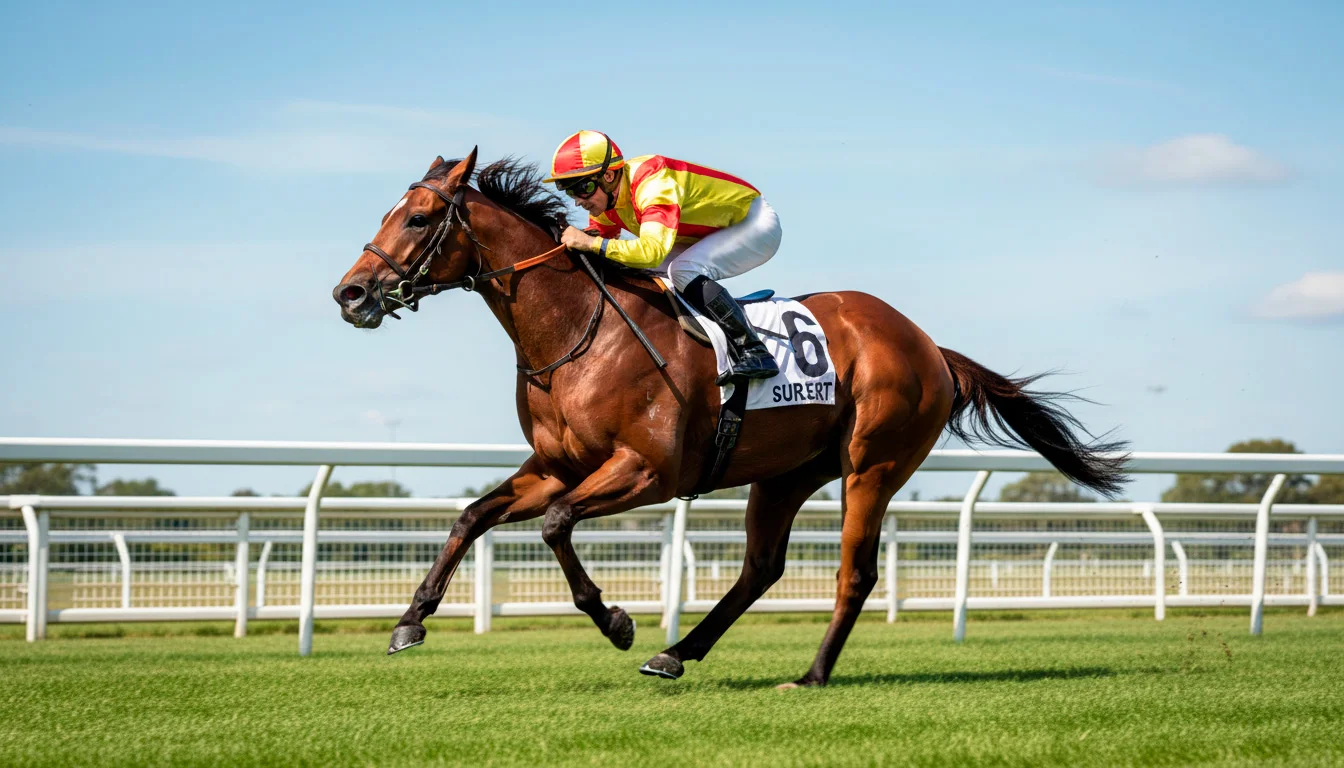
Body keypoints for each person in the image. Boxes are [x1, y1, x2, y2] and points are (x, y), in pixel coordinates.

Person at [545, 130, 782, 385]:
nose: (579, 202)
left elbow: (651, 251)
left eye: (584, 188)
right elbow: (600, 245)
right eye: (570, 192)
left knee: (682, 270)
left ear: (609, 175)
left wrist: (591, 243)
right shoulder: (607, 201)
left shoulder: (653, 182)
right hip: (705, 234)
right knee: (629, 266)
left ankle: (754, 350)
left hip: (754, 222)